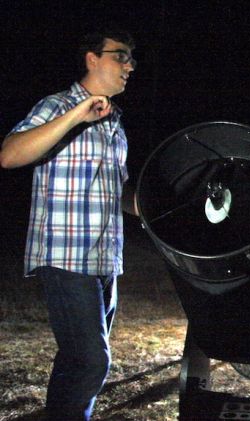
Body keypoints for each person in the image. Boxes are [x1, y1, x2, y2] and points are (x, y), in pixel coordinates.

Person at [0, 30, 137, 420]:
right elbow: (10, 154)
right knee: (92, 362)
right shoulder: (57, 105)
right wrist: (78, 114)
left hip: (104, 261)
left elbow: (116, 191)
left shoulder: (116, 122)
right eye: (120, 56)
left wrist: (155, 207)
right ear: (92, 59)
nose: (130, 65)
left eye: (131, 58)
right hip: (65, 257)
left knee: (76, 359)